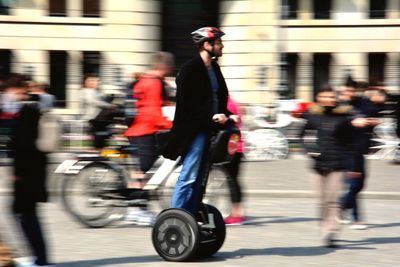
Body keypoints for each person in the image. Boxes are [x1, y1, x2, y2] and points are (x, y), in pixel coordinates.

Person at [162, 26, 237, 215]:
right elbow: (187, 106)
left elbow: (217, 98)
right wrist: (211, 117)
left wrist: (227, 113)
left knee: (202, 175)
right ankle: (177, 215)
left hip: (210, 128)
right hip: (194, 131)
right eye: (219, 42)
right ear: (207, 44)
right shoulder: (189, 69)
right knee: (190, 174)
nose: (222, 46)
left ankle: (192, 212)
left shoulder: (214, 68)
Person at [300, 85, 370, 248]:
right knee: (322, 200)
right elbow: (301, 136)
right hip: (318, 164)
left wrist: (353, 166)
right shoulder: (312, 114)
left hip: (338, 163)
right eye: (325, 96)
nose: (329, 100)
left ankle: (329, 232)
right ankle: (327, 223)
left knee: (332, 200)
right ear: (319, 98)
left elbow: (352, 139)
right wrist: (309, 150)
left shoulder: (343, 115)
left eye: (332, 97)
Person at [123, 52, 175, 226]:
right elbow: (153, 112)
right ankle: (135, 210)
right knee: (142, 172)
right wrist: (172, 125)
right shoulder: (154, 83)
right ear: (165, 67)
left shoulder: (144, 79)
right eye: (170, 67)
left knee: (143, 170)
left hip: (139, 130)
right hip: (143, 131)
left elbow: (154, 105)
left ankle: (138, 207)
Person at [7, 74, 54, 266]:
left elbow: (23, 146)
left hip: (28, 172)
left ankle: (39, 259)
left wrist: (18, 173)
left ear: (16, 90)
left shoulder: (26, 111)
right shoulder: (32, 108)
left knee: (24, 211)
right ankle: (39, 257)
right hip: (34, 169)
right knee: (26, 212)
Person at [338, 79, 380, 230]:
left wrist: (372, 120)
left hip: (360, 149)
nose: (347, 94)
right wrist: (352, 121)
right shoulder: (338, 105)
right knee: (353, 184)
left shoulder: (364, 102)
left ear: (355, 91)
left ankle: (342, 206)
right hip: (345, 150)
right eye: (345, 92)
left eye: (350, 91)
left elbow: (373, 112)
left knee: (360, 184)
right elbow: (336, 123)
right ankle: (356, 218)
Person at [223, 96, 246, 225]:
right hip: (235, 146)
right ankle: (237, 212)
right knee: (233, 180)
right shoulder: (231, 102)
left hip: (231, 147)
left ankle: (237, 213)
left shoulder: (227, 103)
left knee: (232, 180)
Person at [80, 74, 116, 150]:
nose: (95, 82)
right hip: (94, 118)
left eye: (96, 81)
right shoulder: (87, 91)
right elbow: (93, 101)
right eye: (91, 80)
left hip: (99, 119)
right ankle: (97, 153)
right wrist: (109, 105)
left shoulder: (96, 91)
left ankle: (99, 151)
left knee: (100, 139)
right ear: (86, 82)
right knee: (98, 139)